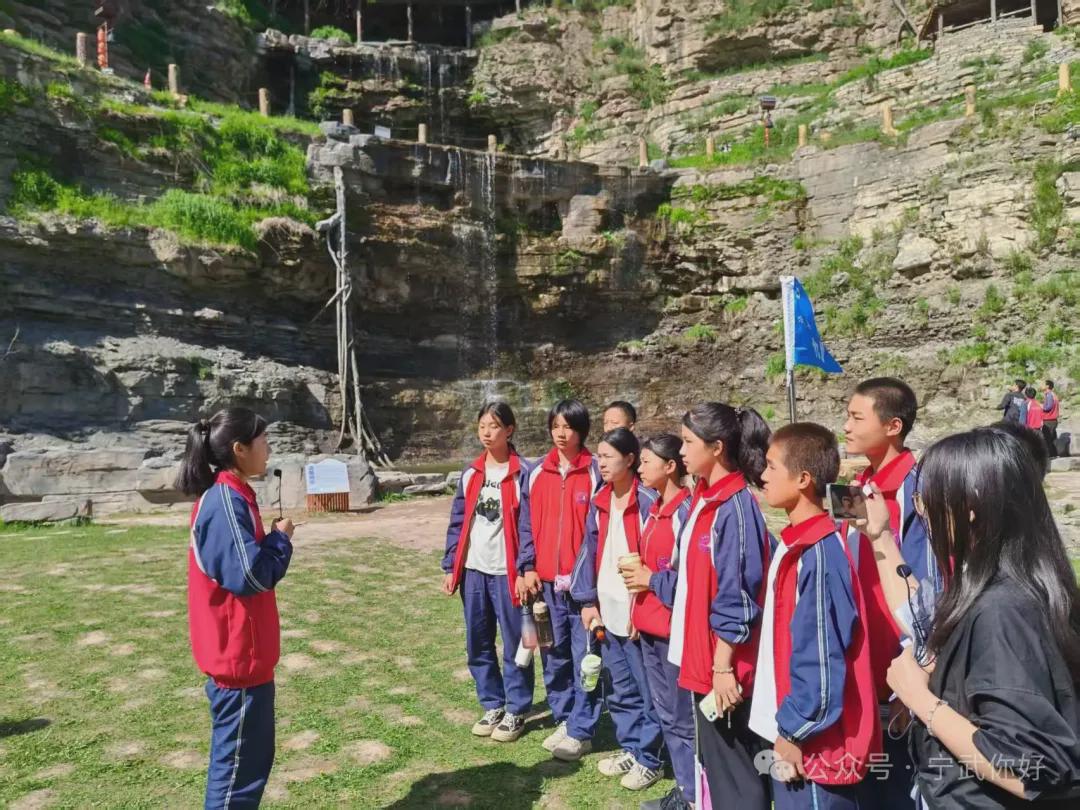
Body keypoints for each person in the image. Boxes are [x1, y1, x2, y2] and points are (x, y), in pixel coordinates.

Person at [883, 428, 1080, 808]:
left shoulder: (1002, 610)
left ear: (970, 505)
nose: (920, 510)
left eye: (926, 497)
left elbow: (1028, 769)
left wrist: (918, 697)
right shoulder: (1030, 586)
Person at [753, 423, 879, 809]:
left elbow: (820, 658)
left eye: (772, 466)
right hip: (795, 728)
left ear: (803, 479)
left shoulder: (819, 555)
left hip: (814, 744)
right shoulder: (797, 542)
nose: (762, 475)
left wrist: (795, 731)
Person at [176, 408, 295, 810]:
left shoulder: (235, 495)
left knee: (249, 767)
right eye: (263, 440)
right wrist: (280, 541)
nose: (269, 449)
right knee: (236, 779)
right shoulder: (224, 500)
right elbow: (251, 576)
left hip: (248, 660)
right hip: (238, 662)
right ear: (239, 449)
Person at [670, 402, 772, 809]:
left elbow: (738, 593)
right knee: (719, 766)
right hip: (704, 661)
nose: (681, 451)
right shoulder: (705, 498)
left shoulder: (735, 508)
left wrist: (723, 666)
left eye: (687, 442)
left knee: (737, 775)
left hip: (726, 668)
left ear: (716, 448)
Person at [843, 377, 934, 809]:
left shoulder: (917, 490)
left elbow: (927, 595)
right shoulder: (861, 482)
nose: (846, 426)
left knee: (901, 785)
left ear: (893, 426)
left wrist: (912, 682)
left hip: (898, 673)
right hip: (862, 660)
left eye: (856, 417)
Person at [571, 428, 665, 791]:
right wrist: (587, 601)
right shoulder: (601, 500)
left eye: (608, 456)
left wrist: (644, 609)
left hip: (637, 614)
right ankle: (632, 747)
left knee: (648, 690)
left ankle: (651, 758)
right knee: (621, 689)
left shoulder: (648, 502)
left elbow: (656, 559)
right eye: (599, 456)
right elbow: (588, 551)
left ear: (630, 459)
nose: (601, 463)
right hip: (607, 610)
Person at [441, 401, 539, 743]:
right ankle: (493, 703)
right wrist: (450, 565)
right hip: (474, 571)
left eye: (494, 426)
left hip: (507, 573)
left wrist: (525, 568)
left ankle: (517, 708)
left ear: (509, 430)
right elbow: (458, 522)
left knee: (516, 643)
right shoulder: (471, 473)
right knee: (478, 642)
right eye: (482, 426)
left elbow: (528, 527)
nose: (486, 432)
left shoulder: (524, 473)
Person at [521, 398, 602, 761]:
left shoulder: (596, 472)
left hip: (583, 588)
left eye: (568, 426)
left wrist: (591, 584)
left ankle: (582, 730)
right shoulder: (536, 471)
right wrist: (527, 566)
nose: (561, 433)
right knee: (553, 655)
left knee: (585, 657)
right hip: (546, 585)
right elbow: (524, 524)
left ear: (581, 430)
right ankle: (565, 718)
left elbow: (601, 532)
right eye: (555, 426)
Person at [625, 434, 696, 810]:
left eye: (646, 461)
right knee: (666, 713)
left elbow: (688, 580)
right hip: (650, 626)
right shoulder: (654, 509)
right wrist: (637, 611)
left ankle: (695, 794)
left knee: (683, 718)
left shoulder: (685, 512)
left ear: (670, 467)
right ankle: (685, 788)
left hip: (673, 632)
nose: (639, 468)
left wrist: (649, 580)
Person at [1044, 380, 1061, 458]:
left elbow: (1048, 407)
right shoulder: (1054, 395)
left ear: (1047, 386)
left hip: (1049, 420)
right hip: (1053, 420)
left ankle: (1049, 455)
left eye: (1043, 384)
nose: (1041, 385)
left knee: (1047, 438)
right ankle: (1054, 454)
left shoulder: (1049, 395)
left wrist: (1041, 407)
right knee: (1052, 438)